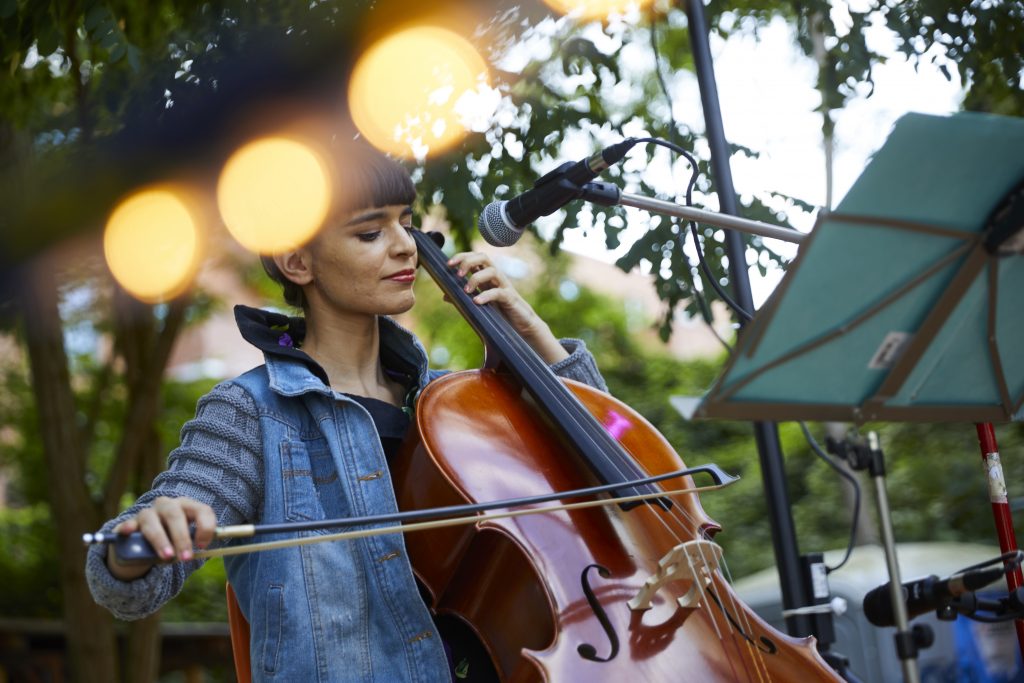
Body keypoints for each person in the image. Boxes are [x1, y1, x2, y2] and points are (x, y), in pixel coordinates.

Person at [85, 143, 607, 682]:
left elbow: (607, 470)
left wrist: (535, 340)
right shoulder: (252, 413)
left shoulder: (454, 406)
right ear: (298, 261)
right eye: (370, 232)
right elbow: (126, 581)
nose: (408, 247)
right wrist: (142, 539)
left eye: (406, 222)